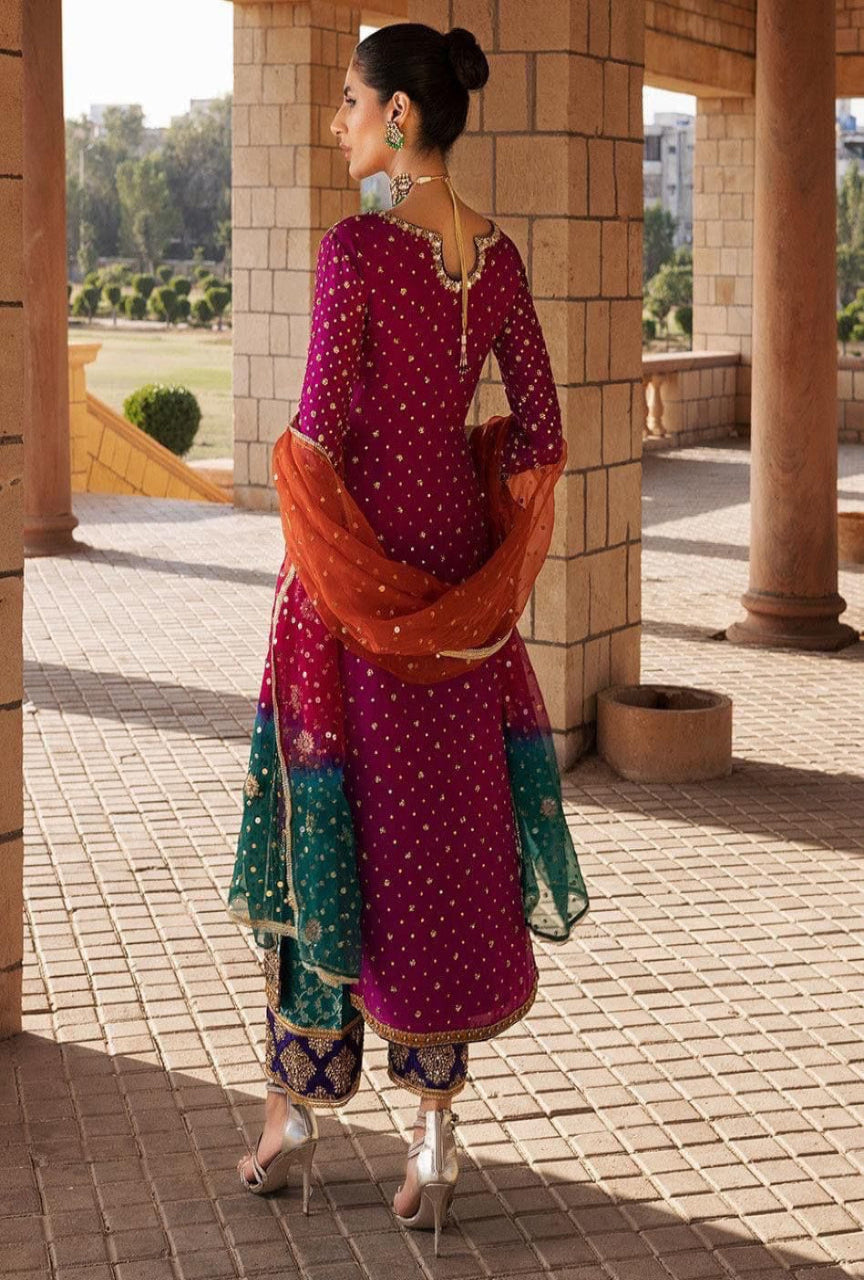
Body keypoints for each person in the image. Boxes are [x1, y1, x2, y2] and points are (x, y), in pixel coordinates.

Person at [226, 21, 589, 1255]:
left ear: (397, 119)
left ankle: (294, 1118)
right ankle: (434, 1142)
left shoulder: (358, 250)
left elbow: (320, 430)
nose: (335, 125)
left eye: (346, 104)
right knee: (432, 861)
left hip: (345, 605)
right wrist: (484, 549)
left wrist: (307, 511)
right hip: (459, 620)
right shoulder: (494, 261)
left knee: (315, 840)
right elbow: (539, 435)